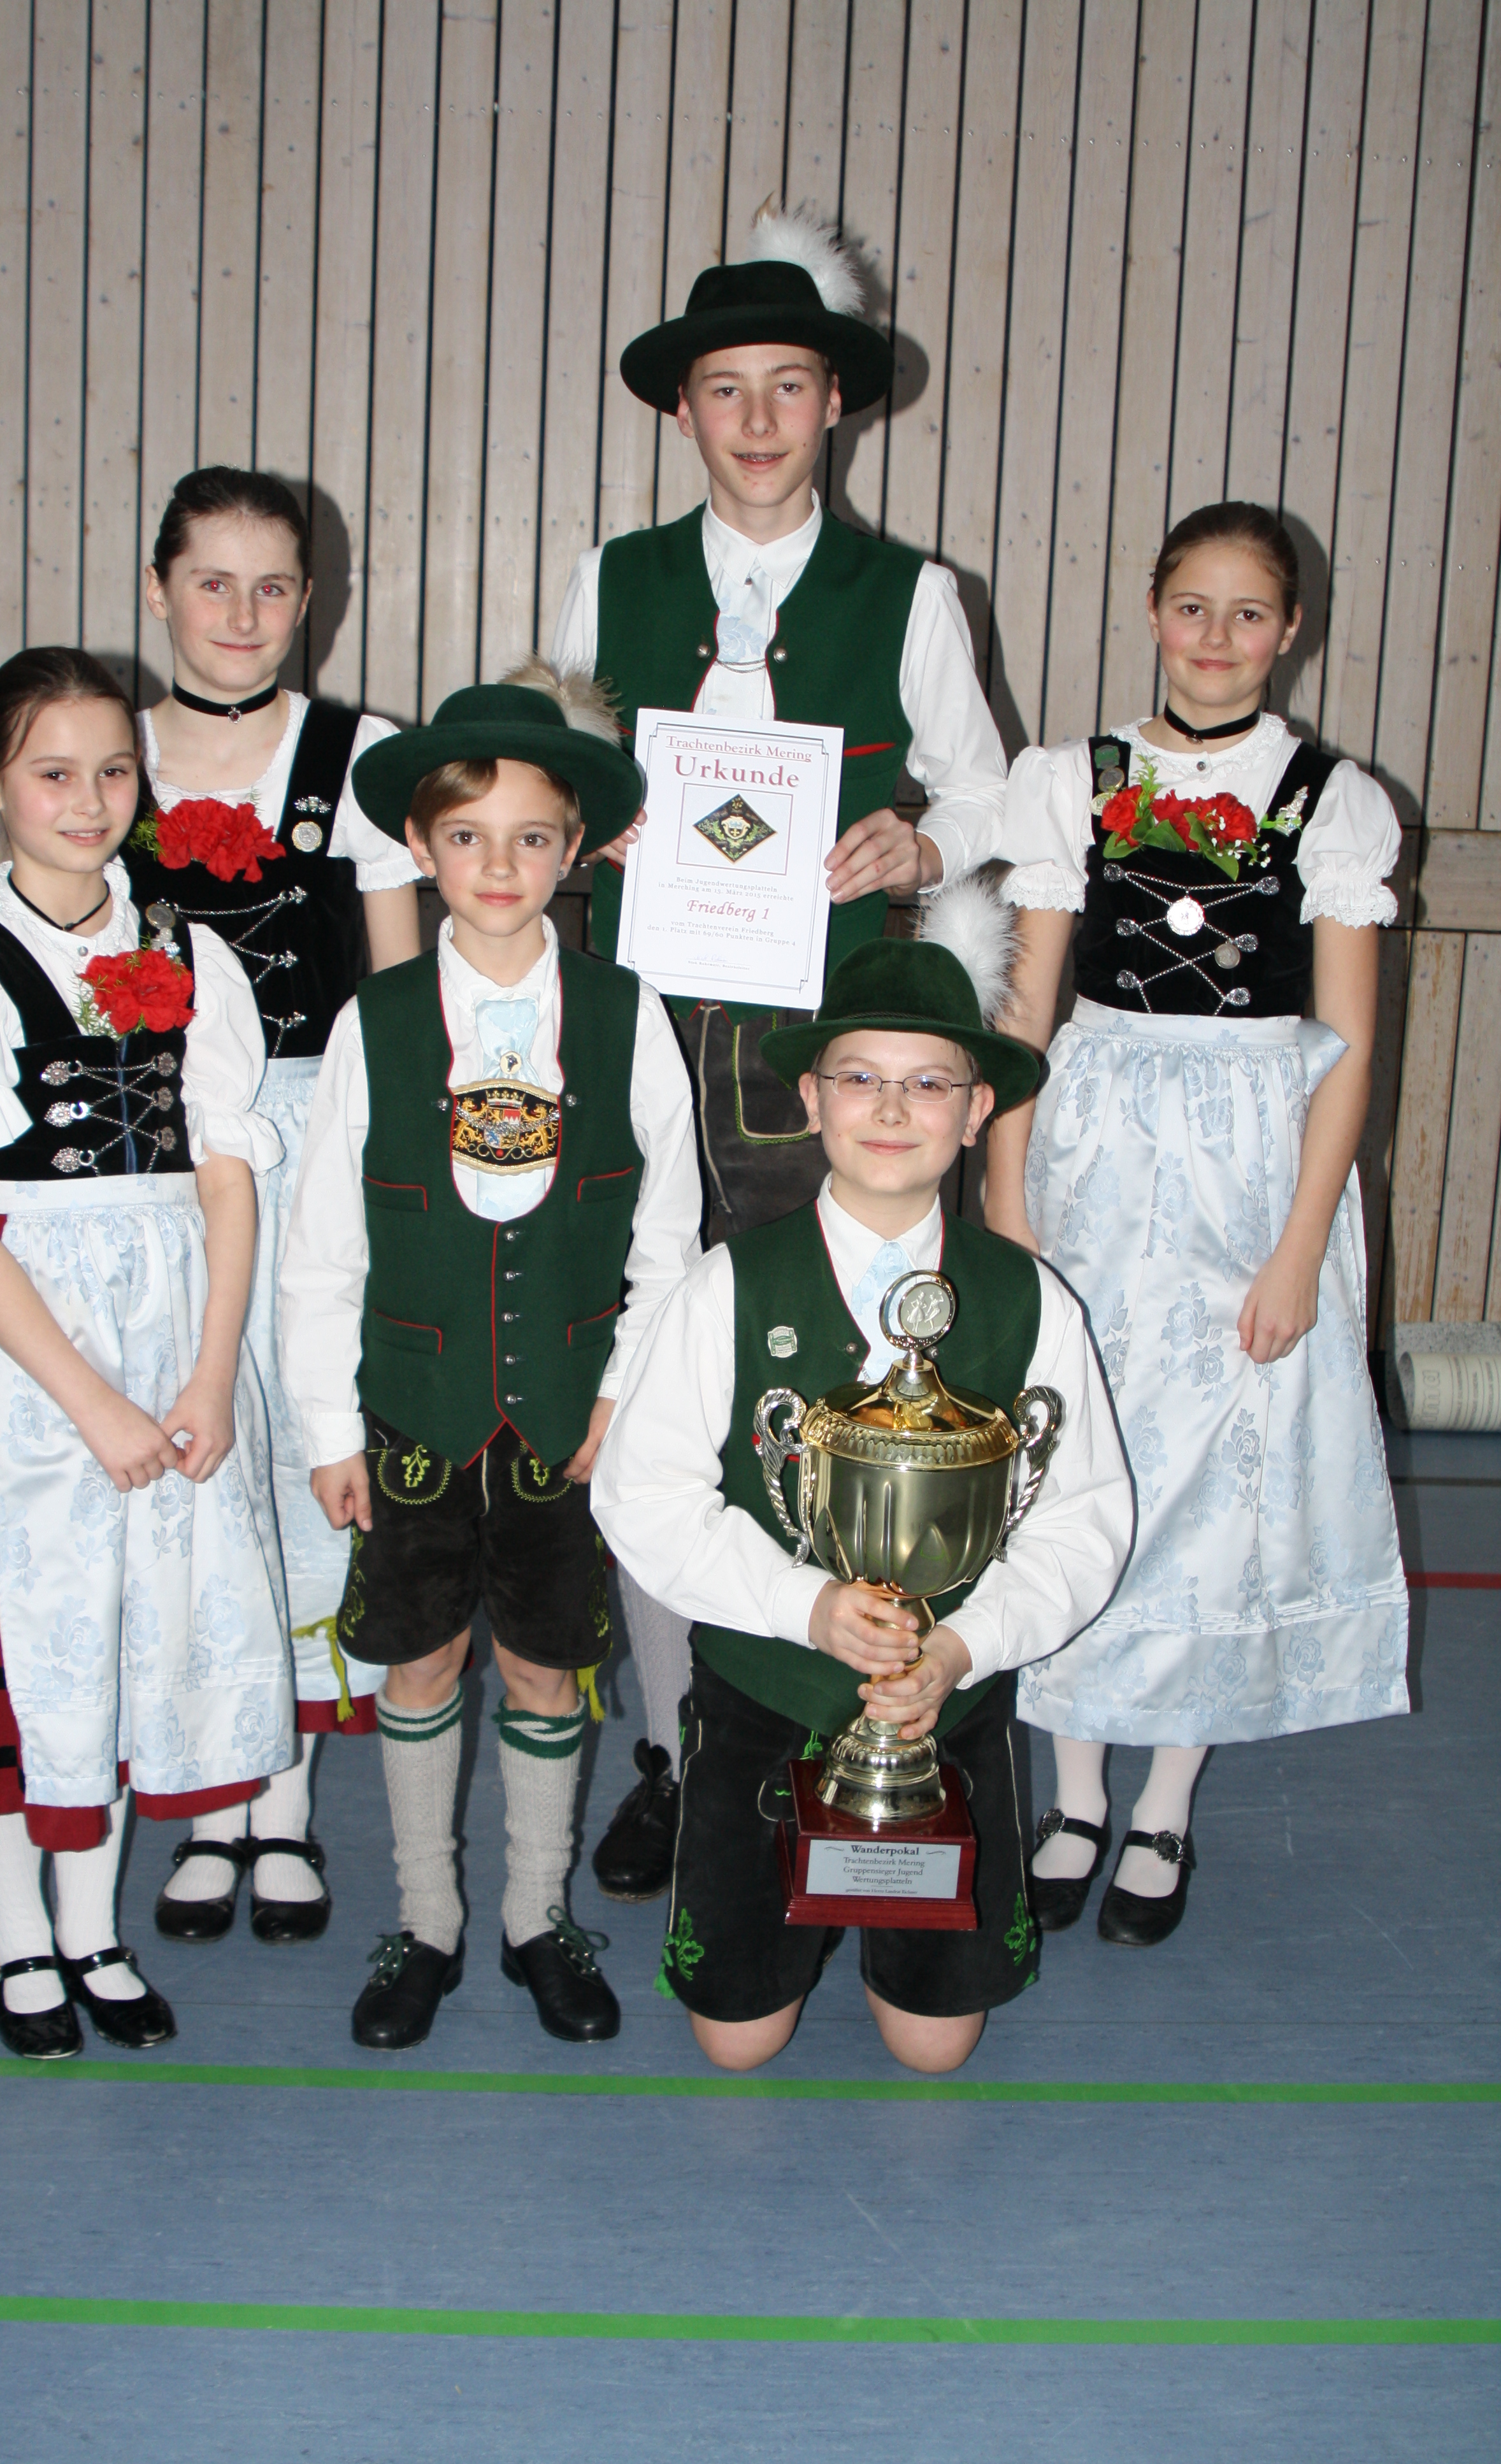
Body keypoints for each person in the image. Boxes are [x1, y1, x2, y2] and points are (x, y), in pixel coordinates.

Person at [552, 203, 1010, 1902]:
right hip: (639, 1035)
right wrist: (588, 816)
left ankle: (815, 1723)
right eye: (726, 388)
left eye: (790, 385)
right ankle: (673, 1753)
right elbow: (543, 766)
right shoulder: (614, 577)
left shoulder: (914, 593)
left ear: (837, 405)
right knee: (646, 1393)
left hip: (824, 1064)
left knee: (801, 1392)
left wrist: (923, 841)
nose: (757, 418)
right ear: (684, 409)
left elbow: (990, 791)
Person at [591, 898, 1132, 2073]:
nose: (892, 1110)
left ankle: (903, 1931)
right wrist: (807, 1608)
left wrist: (964, 1647)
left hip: (949, 1708)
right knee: (738, 2045)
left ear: (978, 1110)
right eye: (860, 1079)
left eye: (929, 1084)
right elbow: (645, 1496)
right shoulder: (727, 1286)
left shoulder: (1030, 1299)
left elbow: (1086, 1519)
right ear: (810, 1098)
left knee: (937, 2050)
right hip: (766, 1696)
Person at [982, 499, 1411, 1947]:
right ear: (1154, 610)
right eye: (1192, 606)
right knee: (1076, 1455)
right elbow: (1026, 1008)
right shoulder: (1072, 782)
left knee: (1215, 1486)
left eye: (1248, 613)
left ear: (1290, 632)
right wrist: (1006, 1193)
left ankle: (1163, 1804)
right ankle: (1073, 1795)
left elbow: (1347, 1049)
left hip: (1253, 1167)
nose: (1216, 637)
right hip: (1095, 1147)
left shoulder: (1333, 801)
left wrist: (1300, 1253)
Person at [0, 647, 291, 2059]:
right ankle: (19, 1933)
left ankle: (95, 1926)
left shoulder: (192, 952)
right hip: (19, 1347)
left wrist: (210, 1373)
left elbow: (227, 1182)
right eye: (53, 772)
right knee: (21, 1633)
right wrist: (96, 1403)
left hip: (171, 1321)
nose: (90, 799)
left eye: (115, 770)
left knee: (125, 1628)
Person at [278, 661, 701, 2051]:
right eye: (468, 836)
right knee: (419, 1665)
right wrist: (328, 1430)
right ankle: (428, 1921)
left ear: (575, 849)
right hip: (414, 1406)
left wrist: (622, 1400)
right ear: (421, 847)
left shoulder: (629, 1017)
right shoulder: (377, 1022)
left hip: (564, 1421)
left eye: (532, 837)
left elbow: (668, 1239)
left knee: (543, 1667)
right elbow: (323, 1246)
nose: (500, 865)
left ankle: (533, 1914)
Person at [130, 466, 422, 1948]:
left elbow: (400, 991)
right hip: (150, 1157)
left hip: (312, 1140)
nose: (241, 615)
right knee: (190, 1458)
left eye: (272, 587)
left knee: (307, 1454)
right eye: (212, 583)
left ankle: (287, 1799)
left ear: (312, 599)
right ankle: (209, 1795)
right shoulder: (104, 755)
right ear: (161, 591)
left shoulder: (361, 758)